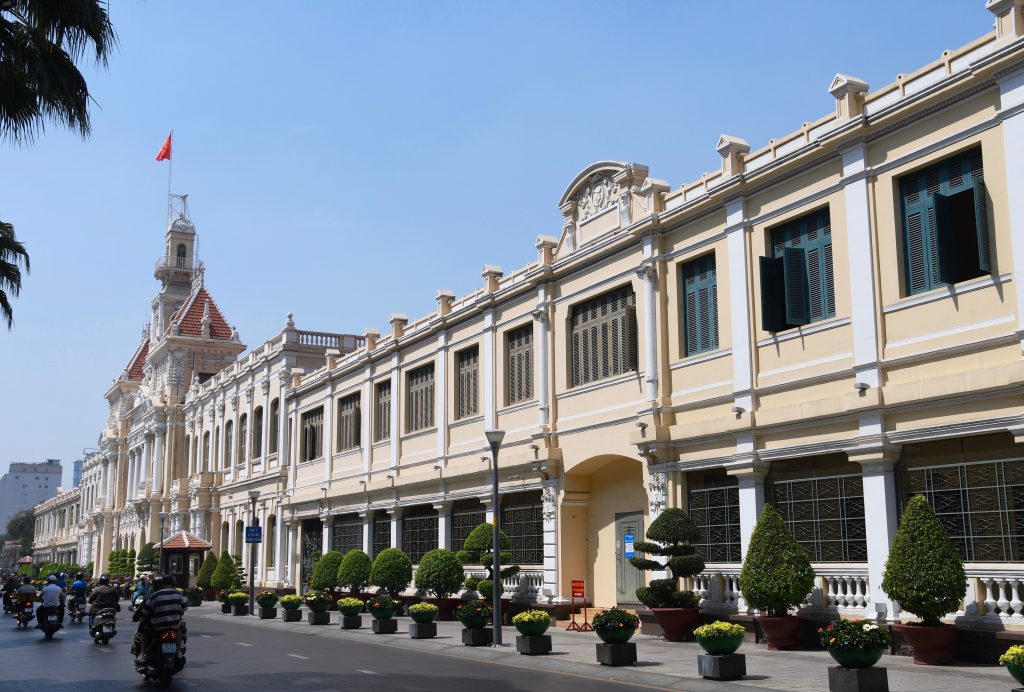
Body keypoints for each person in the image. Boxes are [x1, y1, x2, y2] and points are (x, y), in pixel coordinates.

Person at [132, 574, 187, 661]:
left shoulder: (154, 596)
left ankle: (143, 654)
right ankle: (179, 651)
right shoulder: (179, 594)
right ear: (173, 584)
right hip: (174, 625)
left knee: (144, 632)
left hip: (157, 626)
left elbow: (145, 612)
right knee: (180, 629)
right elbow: (183, 610)